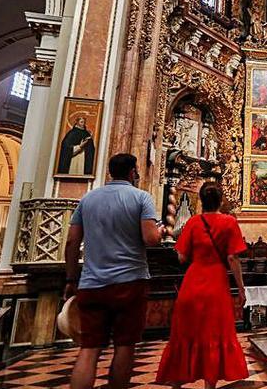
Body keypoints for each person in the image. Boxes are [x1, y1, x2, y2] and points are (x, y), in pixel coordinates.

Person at [64, 153, 163, 389]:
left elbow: (71, 242)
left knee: (88, 349)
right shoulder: (141, 197)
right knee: (125, 346)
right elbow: (150, 239)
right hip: (130, 282)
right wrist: (160, 231)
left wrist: (70, 277)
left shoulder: (87, 199)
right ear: (132, 172)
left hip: (91, 283)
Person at [156, 182, 249, 388]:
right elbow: (233, 258)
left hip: (193, 280)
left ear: (201, 200)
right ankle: (209, 385)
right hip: (216, 281)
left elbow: (181, 256)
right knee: (214, 334)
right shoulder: (229, 222)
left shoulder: (192, 222)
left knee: (184, 333)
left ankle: (177, 383)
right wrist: (241, 288)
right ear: (221, 200)